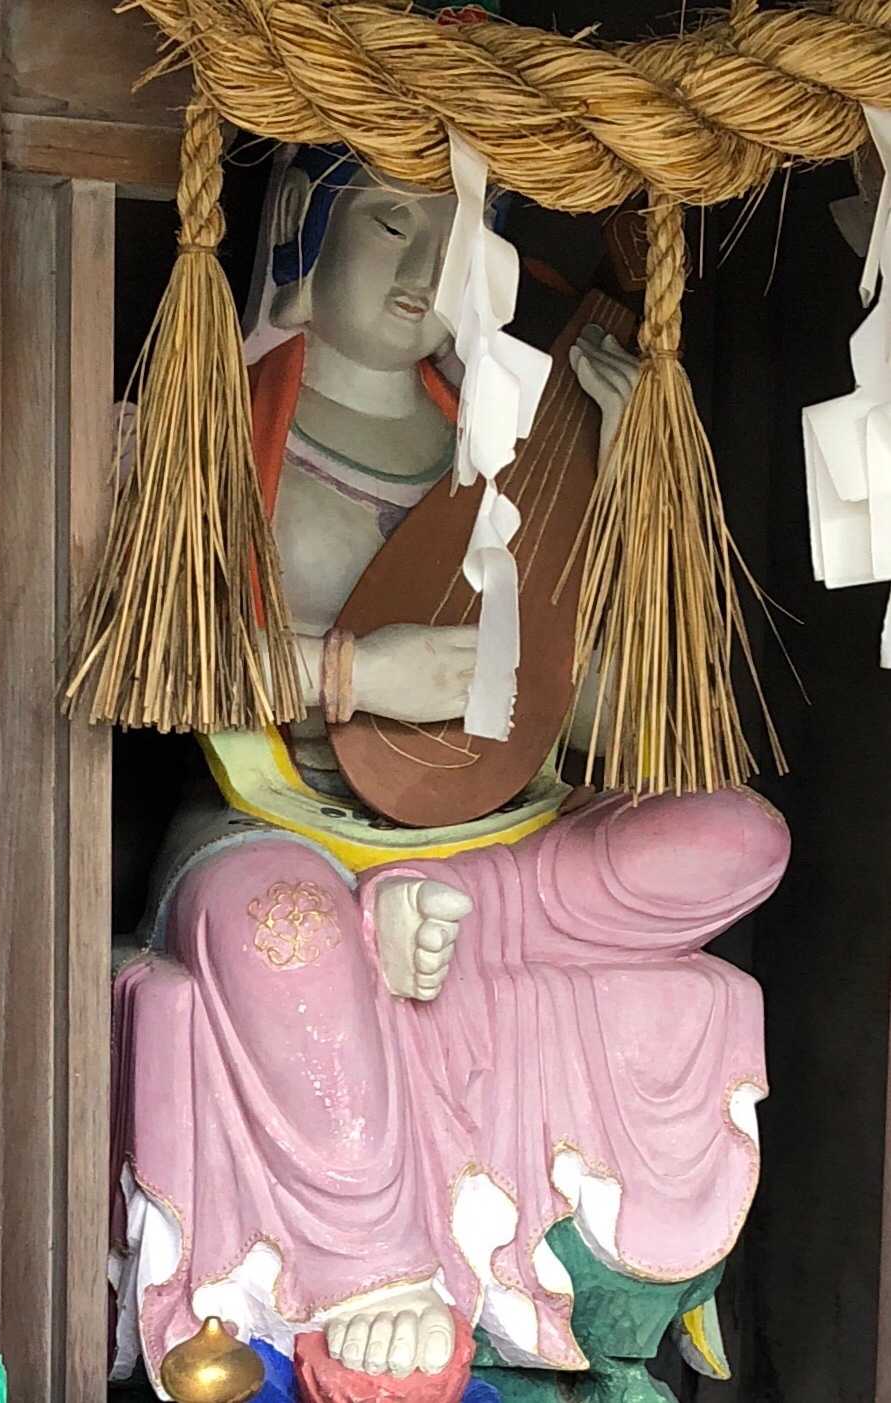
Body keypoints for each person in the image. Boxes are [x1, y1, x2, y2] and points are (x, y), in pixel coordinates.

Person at [108, 146, 789, 1402]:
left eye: (459, 233)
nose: (428, 268)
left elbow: (607, 713)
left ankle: (424, 923)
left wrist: (625, 483)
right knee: (282, 923)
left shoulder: (503, 436)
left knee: (739, 836)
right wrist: (353, 672)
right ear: (298, 233)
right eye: (389, 224)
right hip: (281, 818)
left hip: (491, 837)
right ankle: (374, 1264)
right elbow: (141, 662)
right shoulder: (214, 422)